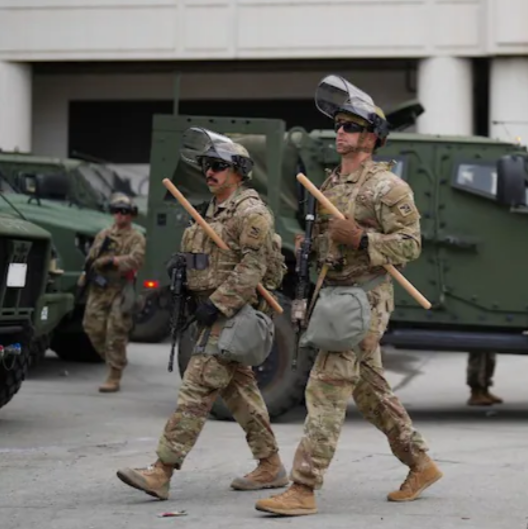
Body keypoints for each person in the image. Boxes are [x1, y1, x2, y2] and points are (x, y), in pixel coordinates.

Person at [255, 75, 441, 517]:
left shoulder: (388, 187)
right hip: (335, 297)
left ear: (372, 137)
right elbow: (330, 240)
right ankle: (421, 464)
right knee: (371, 393)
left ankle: (303, 487)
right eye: (338, 125)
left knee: (324, 388)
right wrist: (313, 244)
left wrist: (362, 239)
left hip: (364, 300)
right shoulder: (332, 183)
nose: (340, 132)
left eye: (351, 126)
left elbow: (411, 245)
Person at [116, 127, 289, 500]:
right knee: (241, 394)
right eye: (207, 165)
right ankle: (271, 465)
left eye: (218, 166)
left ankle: (161, 471)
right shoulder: (209, 210)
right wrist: (183, 271)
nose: (209, 172)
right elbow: (208, 260)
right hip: (210, 313)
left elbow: (253, 267)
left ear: (239, 171)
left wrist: (218, 303)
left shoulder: (250, 212)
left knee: (195, 390)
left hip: (233, 316)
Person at [79, 192, 146, 392]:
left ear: (132, 214)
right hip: (99, 287)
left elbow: (136, 259)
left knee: (116, 330)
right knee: (92, 326)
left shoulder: (136, 237)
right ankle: (113, 358)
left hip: (120, 288)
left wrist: (113, 261)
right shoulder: (104, 234)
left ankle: (114, 374)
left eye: (125, 212)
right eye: (117, 211)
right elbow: (91, 258)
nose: (120, 215)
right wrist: (85, 275)